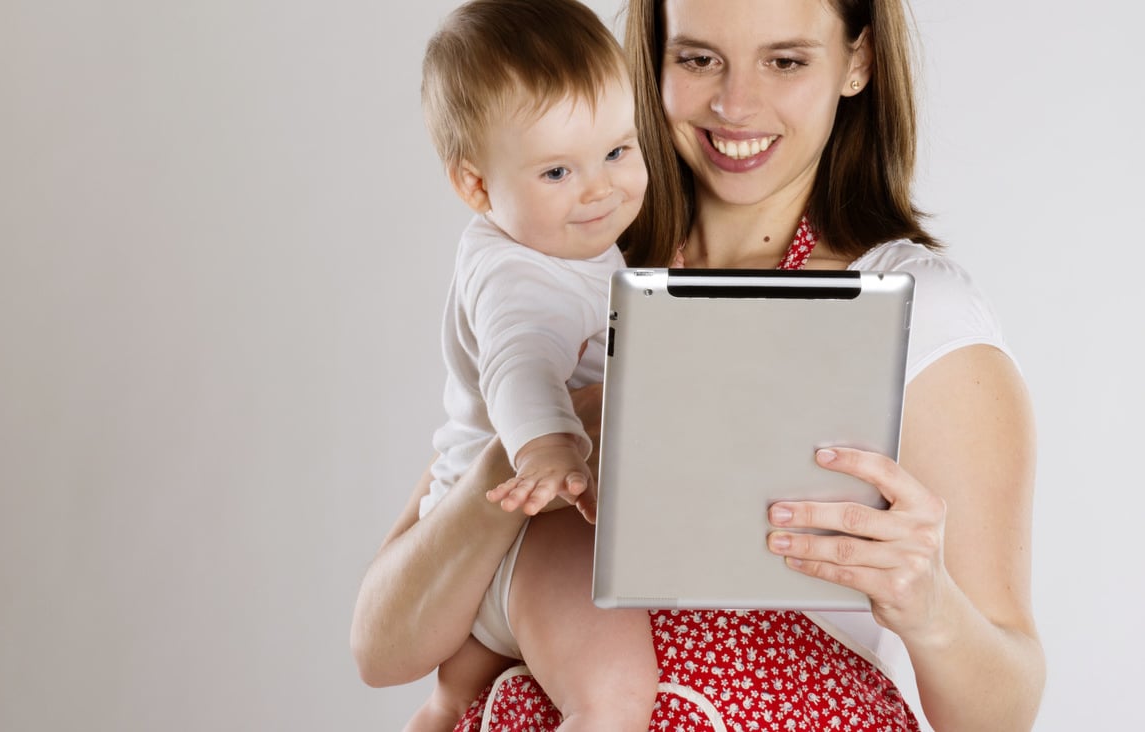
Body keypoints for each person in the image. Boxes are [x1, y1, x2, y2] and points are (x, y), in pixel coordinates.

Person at [352, 0, 1045, 729]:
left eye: (785, 61)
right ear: (650, 61)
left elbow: (1003, 714)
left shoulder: (921, 319)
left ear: (858, 62)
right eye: (697, 58)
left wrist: (928, 603)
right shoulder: (573, 272)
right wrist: (533, 454)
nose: (735, 104)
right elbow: (381, 649)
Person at [402, 1, 656, 730]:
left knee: (454, 702)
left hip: (473, 537)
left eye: (617, 152)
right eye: (557, 171)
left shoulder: (537, 241)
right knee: (612, 698)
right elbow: (521, 365)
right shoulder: (522, 278)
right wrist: (551, 450)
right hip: (527, 529)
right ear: (477, 186)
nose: (600, 188)